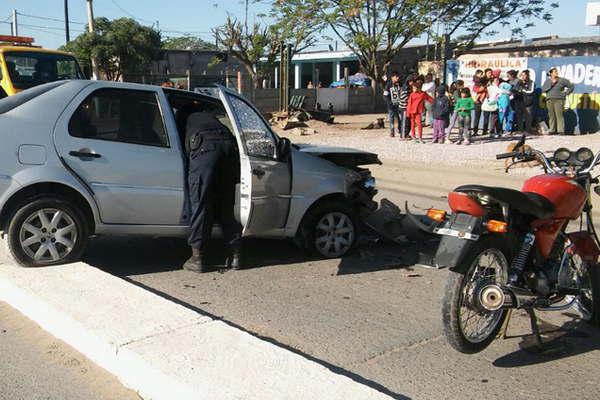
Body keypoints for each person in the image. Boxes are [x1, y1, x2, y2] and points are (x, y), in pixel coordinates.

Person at [183, 112, 242, 273]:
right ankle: (235, 255)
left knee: (201, 204)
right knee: (226, 205)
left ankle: (197, 258)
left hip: (205, 149)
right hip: (229, 148)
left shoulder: (183, 117)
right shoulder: (212, 118)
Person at [542, 67, 574, 135]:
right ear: (551, 73)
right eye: (554, 72)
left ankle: (561, 131)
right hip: (549, 99)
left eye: (556, 71)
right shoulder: (547, 81)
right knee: (551, 115)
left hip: (559, 99)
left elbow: (571, 86)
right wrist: (552, 83)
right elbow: (544, 89)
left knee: (559, 115)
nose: (556, 72)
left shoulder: (562, 80)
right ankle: (552, 130)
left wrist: (566, 93)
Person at [383, 71, 403, 137]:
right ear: (392, 77)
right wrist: (389, 103)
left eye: (398, 77)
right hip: (391, 105)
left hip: (399, 105)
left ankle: (400, 129)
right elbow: (385, 96)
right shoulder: (388, 85)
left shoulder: (400, 84)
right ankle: (392, 131)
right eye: (396, 77)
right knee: (391, 119)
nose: (397, 78)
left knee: (400, 117)